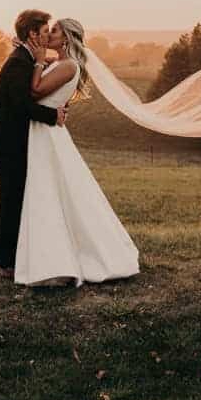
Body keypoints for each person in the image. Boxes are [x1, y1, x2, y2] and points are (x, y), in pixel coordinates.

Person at [14, 18, 139, 287]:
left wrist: (37, 60)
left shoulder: (69, 66)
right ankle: (47, 255)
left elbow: (35, 91)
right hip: (43, 132)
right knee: (51, 193)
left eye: (55, 31)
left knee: (52, 192)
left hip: (48, 136)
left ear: (67, 38)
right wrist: (29, 52)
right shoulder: (60, 63)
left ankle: (65, 260)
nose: (50, 35)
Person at [0, 10, 67, 279]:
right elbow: (22, 105)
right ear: (32, 34)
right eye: (44, 32)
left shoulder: (25, 57)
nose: (47, 36)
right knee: (11, 201)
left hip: (15, 141)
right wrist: (52, 115)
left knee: (18, 199)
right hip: (10, 143)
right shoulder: (19, 63)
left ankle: (15, 258)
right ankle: (6, 264)